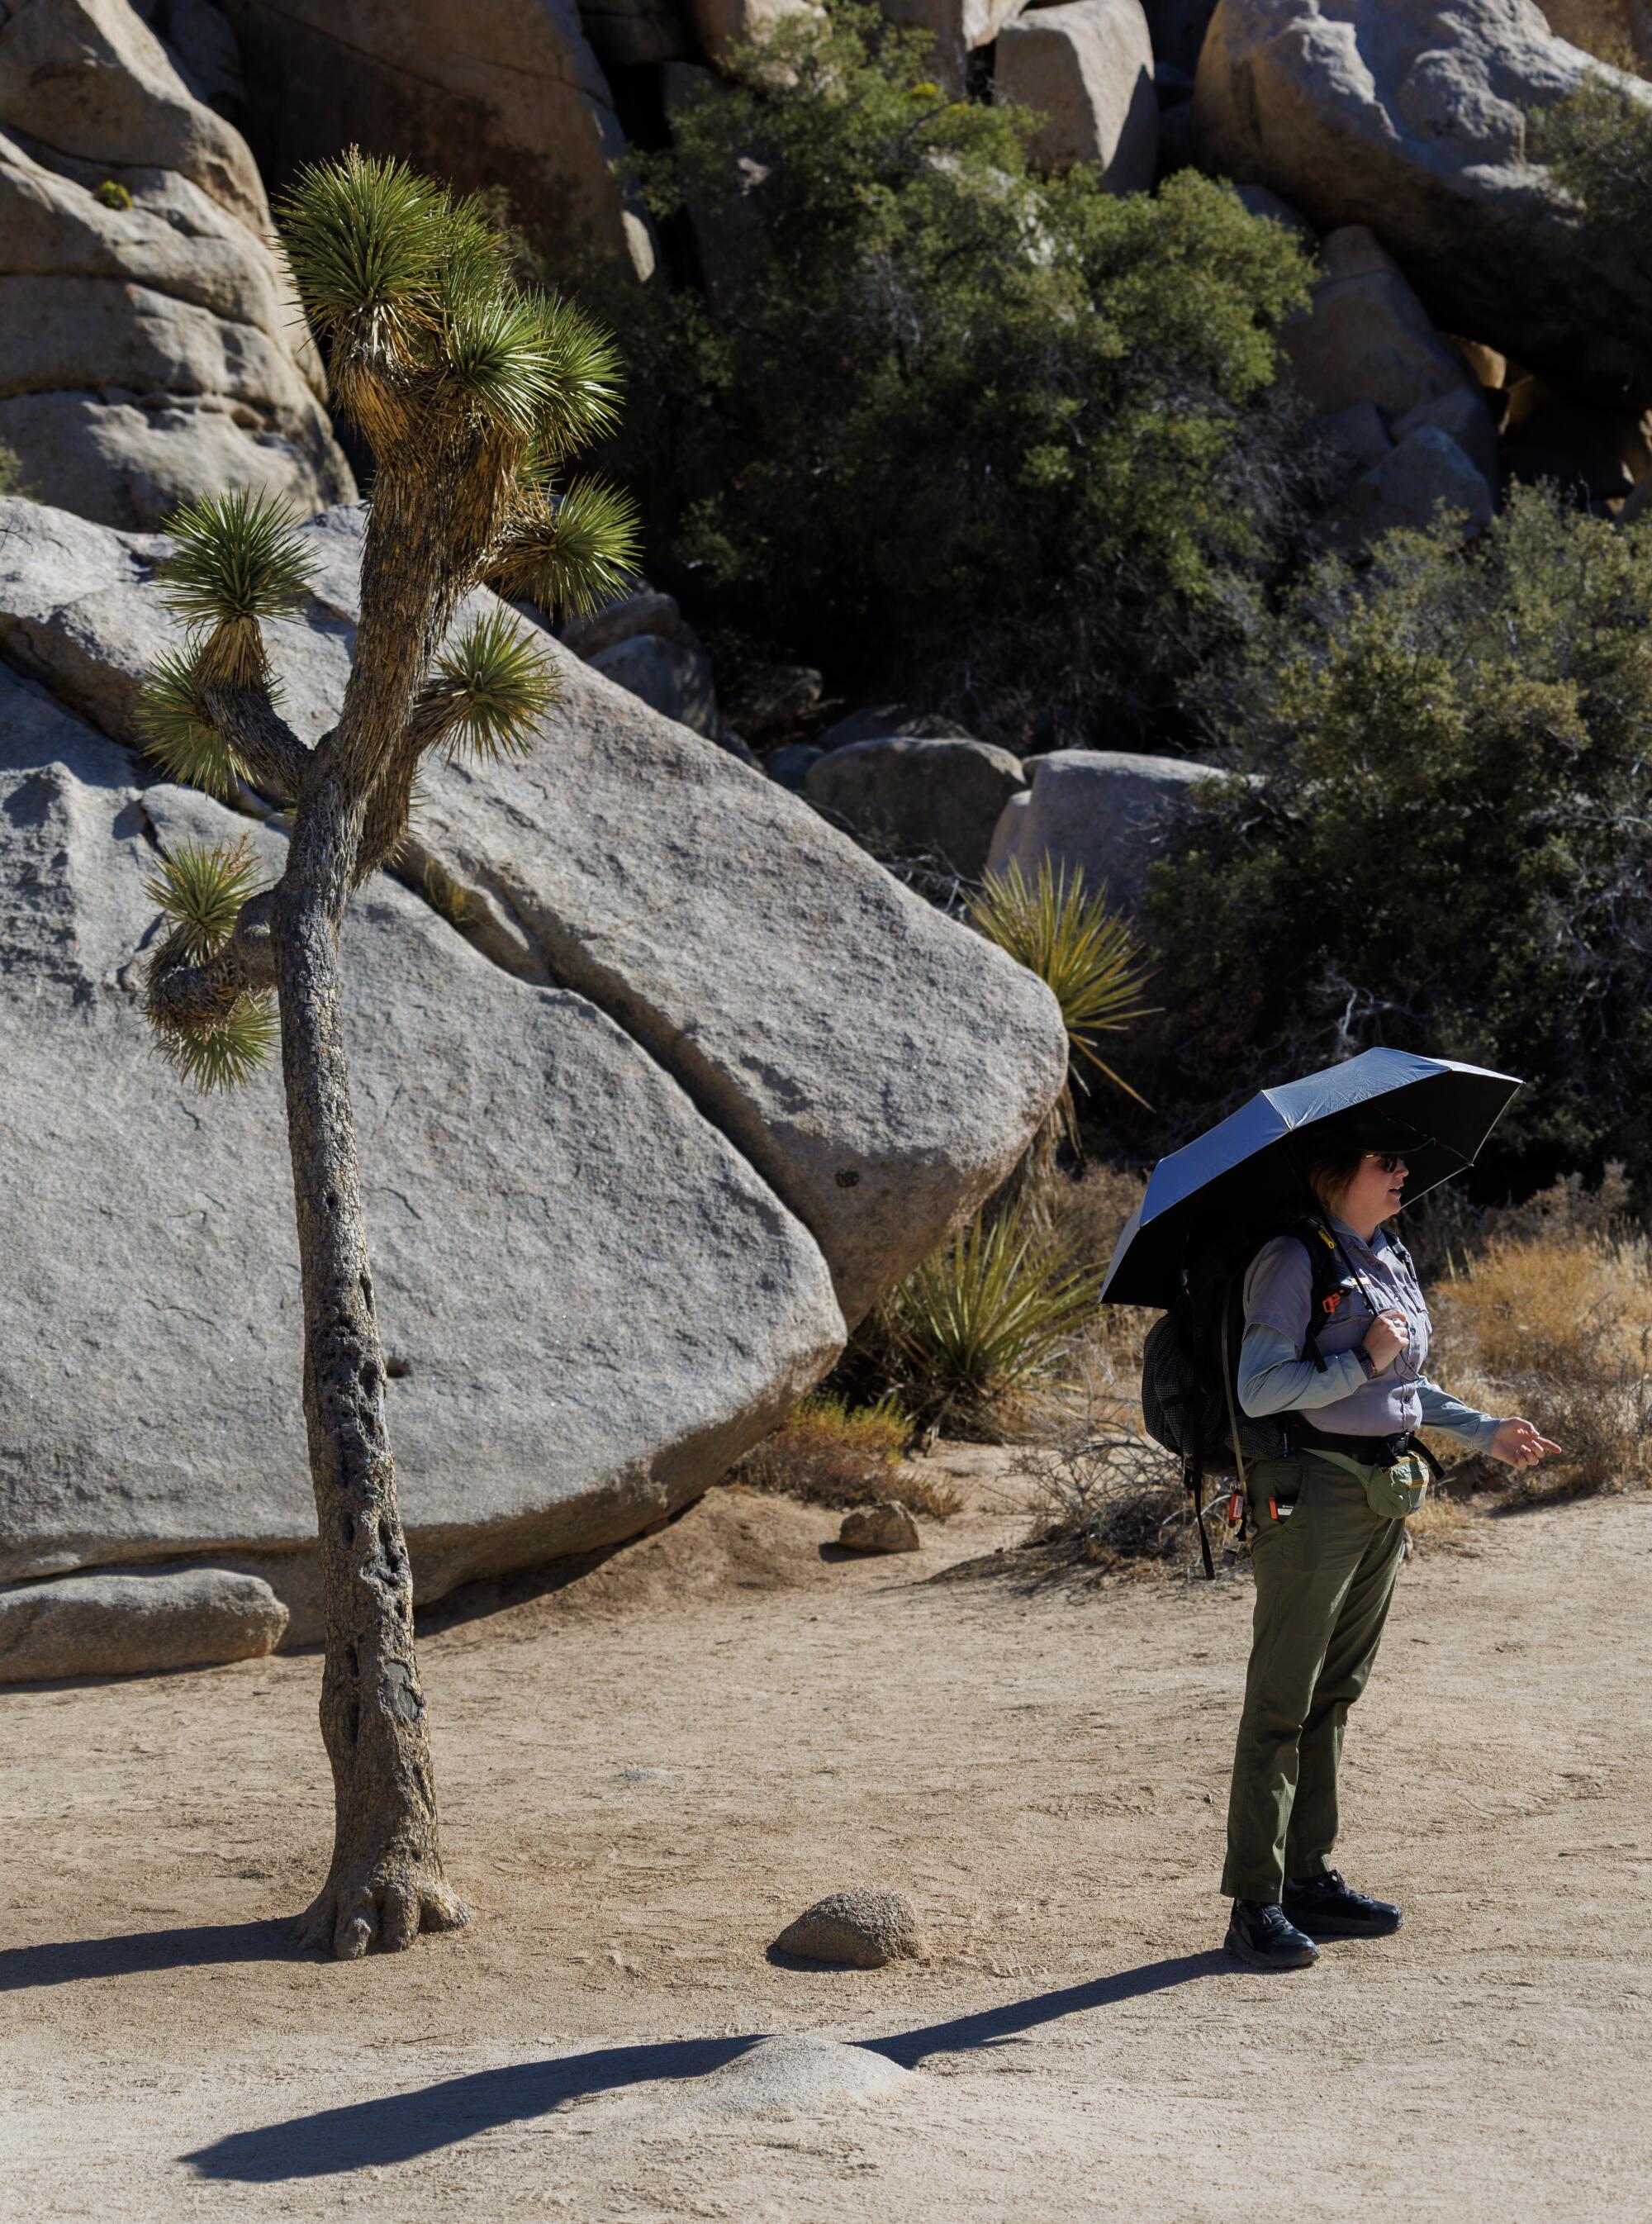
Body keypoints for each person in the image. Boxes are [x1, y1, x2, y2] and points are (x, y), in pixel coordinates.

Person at [1221, 1114, 1559, 1972]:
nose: (1403, 1172)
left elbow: (1406, 1379)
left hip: (1381, 1490)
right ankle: (1253, 1902)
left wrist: (1484, 1430)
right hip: (1315, 1493)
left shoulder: (1389, 1256)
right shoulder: (1291, 1261)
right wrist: (1360, 1365)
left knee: (1336, 1690)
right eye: (1385, 1161)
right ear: (1336, 1172)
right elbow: (1260, 1387)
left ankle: (1308, 1876)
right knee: (1280, 1699)